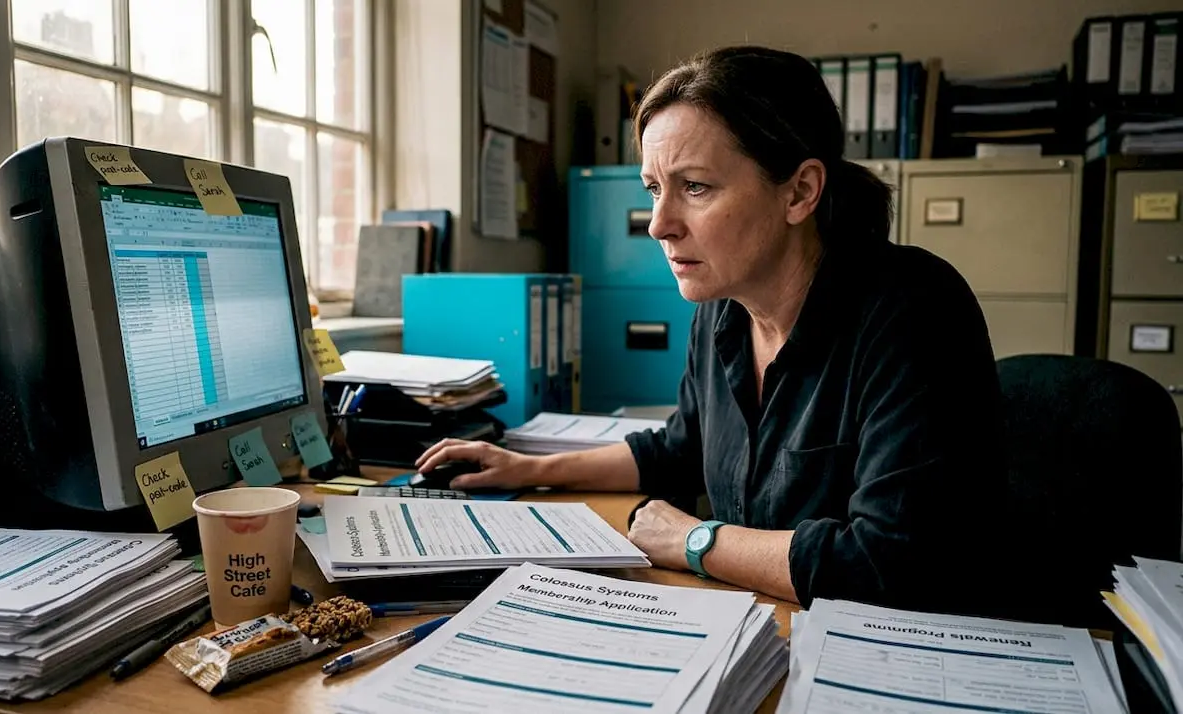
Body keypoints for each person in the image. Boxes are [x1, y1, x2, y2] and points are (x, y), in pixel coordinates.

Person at [416, 45, 1005, 614]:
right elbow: (680, 450)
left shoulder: (913, 308)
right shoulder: (722, 309)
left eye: (695, 187)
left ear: (800, 191)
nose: (659, 225)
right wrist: (527, 468)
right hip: (765, 617)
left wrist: (695, 540)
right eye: (654, 188)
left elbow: (888, 564)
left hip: (890, 647)